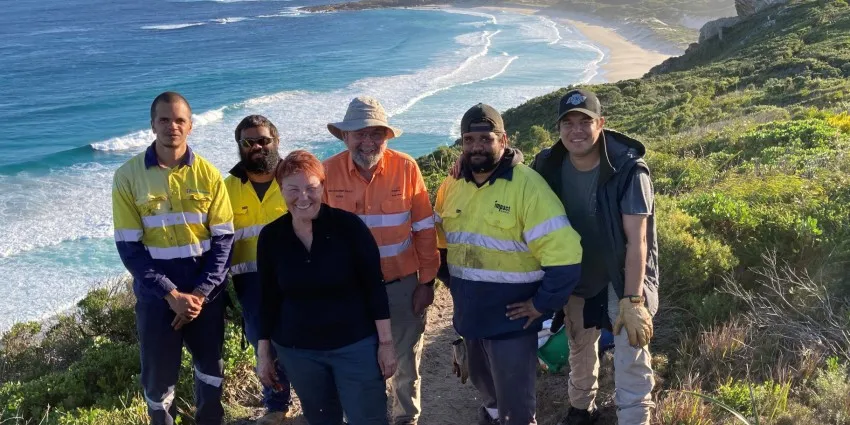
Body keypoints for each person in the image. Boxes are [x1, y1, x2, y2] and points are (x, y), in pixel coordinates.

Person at [434, 103, 583, 425]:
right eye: (469, 140)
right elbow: (439, 243)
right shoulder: (452, 186)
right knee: (487, 393)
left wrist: (542, 304)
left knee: (515, 406)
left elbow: (566, 255)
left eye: (485, 139)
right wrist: (453, 284)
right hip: (471, 318)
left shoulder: (528, 186)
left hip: (512, 324)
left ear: (503, 139)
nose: (476, 147)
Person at [531, 89, 659, 425]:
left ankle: (634, 418)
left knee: (631, 349)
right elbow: (514, 176)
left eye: (585, 122)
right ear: (559, 129)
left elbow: (638, 241)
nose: (576, 130)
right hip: (577, 274)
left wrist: (633, 300)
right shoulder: (548, 165)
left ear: (600, 124)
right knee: (579, 344)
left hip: (622, 276)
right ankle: (580, 408)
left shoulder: (629, 169)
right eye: (568, 122)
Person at [112, 92, 234, 425]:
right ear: (152, 124)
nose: (172, 127)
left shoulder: (209, 175)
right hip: (156, 297)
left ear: (191, 126)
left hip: (204, 293)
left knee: (211, 369)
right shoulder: (127, 176)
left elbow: (223, 241)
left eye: (179, 120)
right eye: (164, 119)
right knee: (158, 379)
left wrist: (198, 295)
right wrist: (171, 294)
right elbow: (129, 248)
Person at [255, 150, 397, 425]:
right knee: (321, 419)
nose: (303, 197)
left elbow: (374, 288)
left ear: (323, 186)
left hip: (355, 345)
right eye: (293, 189)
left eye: (311, 187)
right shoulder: (271, 237)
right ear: (280, 190)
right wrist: (264, 353)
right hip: (298, 351)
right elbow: (268, 298)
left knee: (368, 418)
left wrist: (386, 344)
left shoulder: (349, 227)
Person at [323, 96, 439, 425]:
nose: (368, 140)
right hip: (350, 293)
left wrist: (427, 282)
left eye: (376, 133)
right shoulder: (327, 173)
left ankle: (406, 419)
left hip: (401, 286)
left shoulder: (406, 168)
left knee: (405, 362)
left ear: (386, 137)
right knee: (355, 361)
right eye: (359, 133)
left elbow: (424, 229)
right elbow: (320, 238)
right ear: (345, 137)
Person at [224, 115, 292, 424]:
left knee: (303, 338)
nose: (257, 147)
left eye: (264, 140)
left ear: (276, 142)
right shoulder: (225, 188)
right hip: (250, 283)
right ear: (240, 146)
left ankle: (321, 399)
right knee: (263, 345)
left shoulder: (294, 178)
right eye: (248, 142)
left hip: (296, 277)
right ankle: (277, 406)